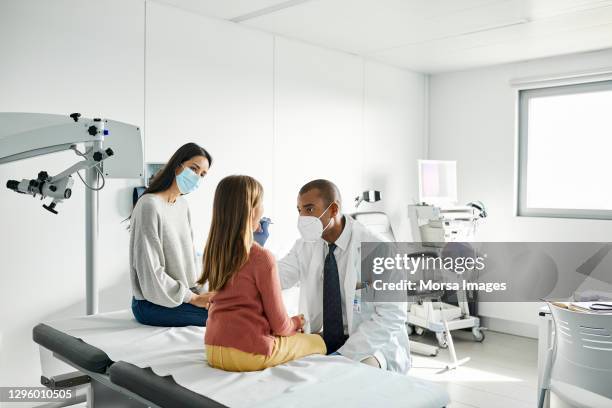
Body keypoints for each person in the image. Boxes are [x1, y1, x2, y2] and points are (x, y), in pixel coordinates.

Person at [277, 179, 410, 373]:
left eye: (310, 209)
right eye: (299, 211)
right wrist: (254, 254)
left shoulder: (378, 248)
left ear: (333, 209)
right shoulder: (305, 245)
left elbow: (392, 315)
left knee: (353, 375)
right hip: (321, 338)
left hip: (371, 345)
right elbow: (276, 277)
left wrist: (343, 355)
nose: (303, 218)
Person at [201, 175, 326, 372]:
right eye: (261, 203)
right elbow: (280, 326)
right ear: (251, 211)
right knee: (318, 342)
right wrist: (296, 321)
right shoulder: (262, 257)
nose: (302, 217)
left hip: (213, 348)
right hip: (249, 353)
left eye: (308, 210)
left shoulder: (214, 252)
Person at [129, 143, 215, 327]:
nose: (197, 177)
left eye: (202, 174)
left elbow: (190, 260)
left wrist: (204, 293)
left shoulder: (182, 205)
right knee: (229, 319)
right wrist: (192, 298)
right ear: (177, 166)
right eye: (193, 169)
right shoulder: (149, 205)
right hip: (151, 304)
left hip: (182, 296)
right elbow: (151, 271)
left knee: (237, 309)